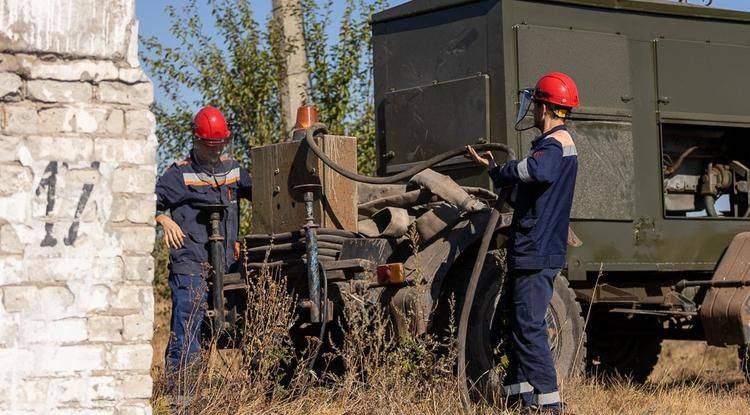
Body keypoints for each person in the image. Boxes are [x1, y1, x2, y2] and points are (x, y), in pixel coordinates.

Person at [465, 72, 580, 414]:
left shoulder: (555, 145)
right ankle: (520, 399)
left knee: (530, 326)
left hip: (537, 250)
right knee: (515, 322)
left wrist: (504, 170)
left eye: (535, 105)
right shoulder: (551, 147)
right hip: (531, 248)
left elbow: (535, 171)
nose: (531, 111)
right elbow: (528, 190)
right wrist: (495, 171)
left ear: (544, 108)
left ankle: (549, 405)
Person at [155, 105, 252, 380]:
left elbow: (267, 194)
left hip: (227, 265)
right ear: (196, 140)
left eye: (220, 145)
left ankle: (208, 393)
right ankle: (182, 397)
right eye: (210, 146)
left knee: (227, 325)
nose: (215, 152)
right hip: (190, 262)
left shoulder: (233, 170)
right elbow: (146, 200)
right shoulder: (178, 175)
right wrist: (163, 219)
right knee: (188, 325)